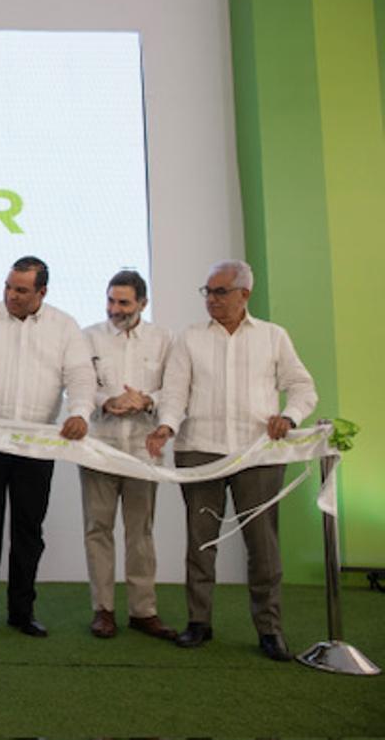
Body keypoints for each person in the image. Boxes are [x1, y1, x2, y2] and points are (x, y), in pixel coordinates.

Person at [147, 260, 316, 661]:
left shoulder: (273, 337)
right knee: (200, 541)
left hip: (256, 453)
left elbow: (302, 387)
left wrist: (289, 416)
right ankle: (198, 622)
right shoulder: (189, 338)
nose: (211, 300)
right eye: (207, 292)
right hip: (199, 448)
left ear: (245, 294)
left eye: (220, 292)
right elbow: (174, 391)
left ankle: (270, 630)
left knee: (262, 545)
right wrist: (166, 426)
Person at [0, 256, 94, 638]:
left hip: (36, 445)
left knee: (29, 529)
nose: (11, 295)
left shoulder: (65, 327)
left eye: (21, 290)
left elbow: (79, 376)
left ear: (42, 292)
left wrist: (80, 412)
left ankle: (22, 611)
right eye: (8, 287)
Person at [79, 270, 176, 641]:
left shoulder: (163, 339)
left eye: (124, 303)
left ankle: (143, 611)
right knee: (97, 530)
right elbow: (79, 388)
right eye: (110, 301)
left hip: (142, 449)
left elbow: (177, 388)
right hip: (99, 449)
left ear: (143, 304)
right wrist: (109, 401)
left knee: (140, 533)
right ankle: (102, 610)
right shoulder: (87, 337)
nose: (115, 309)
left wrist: (147, 400)